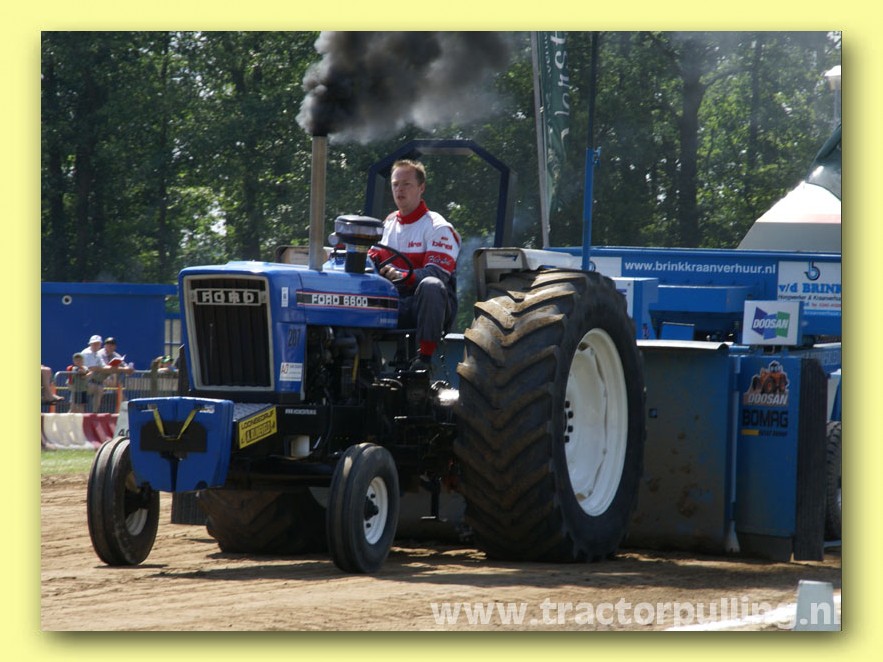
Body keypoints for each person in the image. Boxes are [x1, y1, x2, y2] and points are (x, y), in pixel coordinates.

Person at [369, 159, 461, 370]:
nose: (399, 189)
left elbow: (437, 274)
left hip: (427, 304)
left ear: (421, 188)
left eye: (406, 184)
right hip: (395, 300)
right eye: (395, 184)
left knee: (431, 285)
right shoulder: (387, 224)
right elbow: (372, 259)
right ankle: (364, 360)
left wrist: (403, 275)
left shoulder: (438, 227)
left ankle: (424, 359)